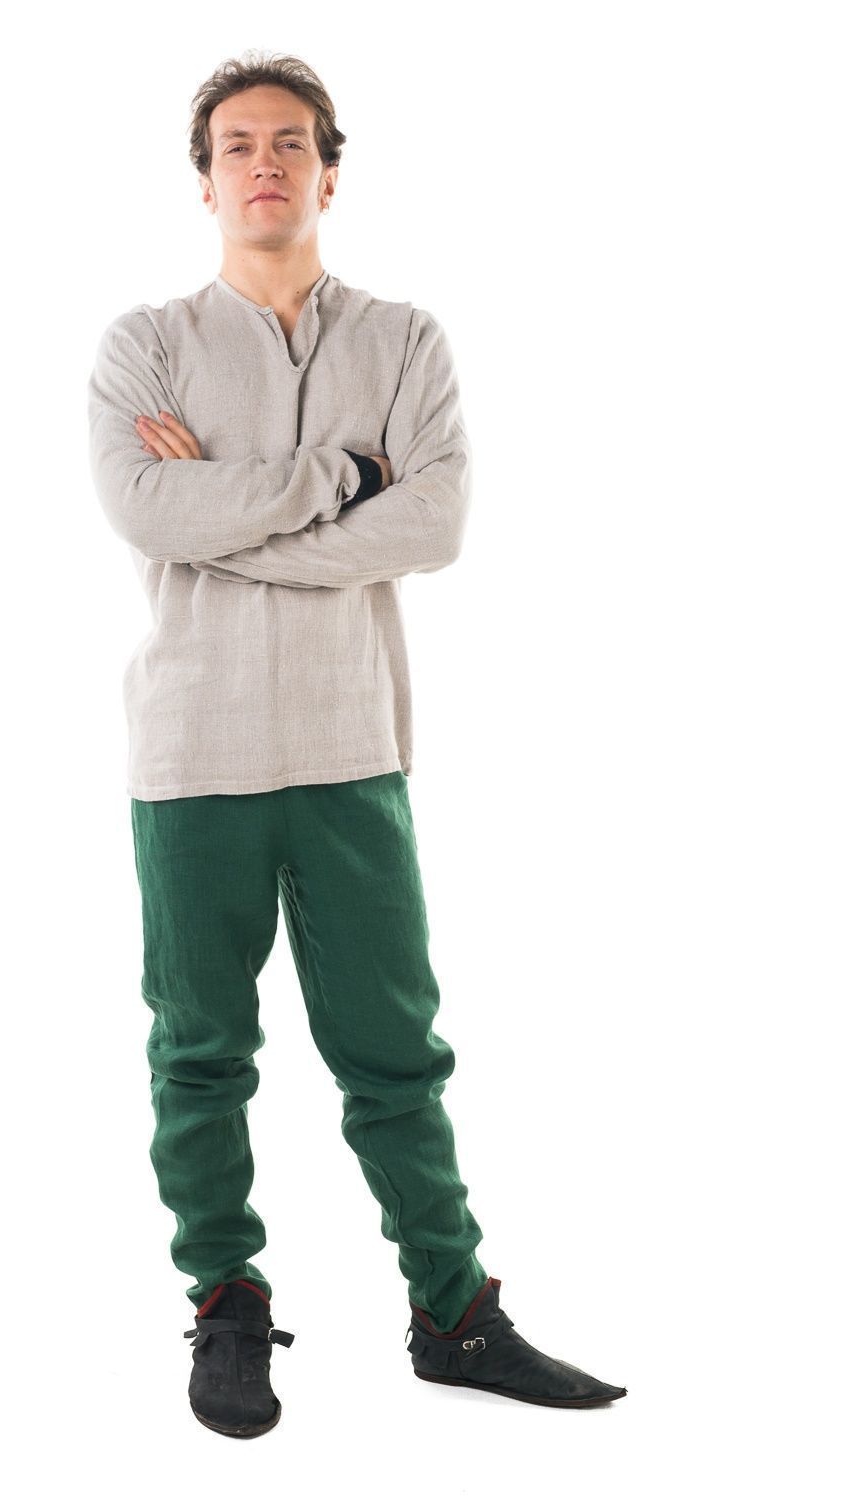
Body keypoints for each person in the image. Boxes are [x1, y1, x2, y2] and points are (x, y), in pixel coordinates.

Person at [87, 49, 627, 1440]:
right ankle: (225, 1300)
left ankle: (454, 1313)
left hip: (350, 745)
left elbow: (434, 527)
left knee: (395, 1050)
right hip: (192, 754)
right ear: (205, 181)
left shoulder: (404, 341)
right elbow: (147, 512)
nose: (263, 163)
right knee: (199, 1051)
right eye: (237, 145)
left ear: (331, 172)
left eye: (291, 143)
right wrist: (342, 479)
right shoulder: (144, 345)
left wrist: (231, 518)